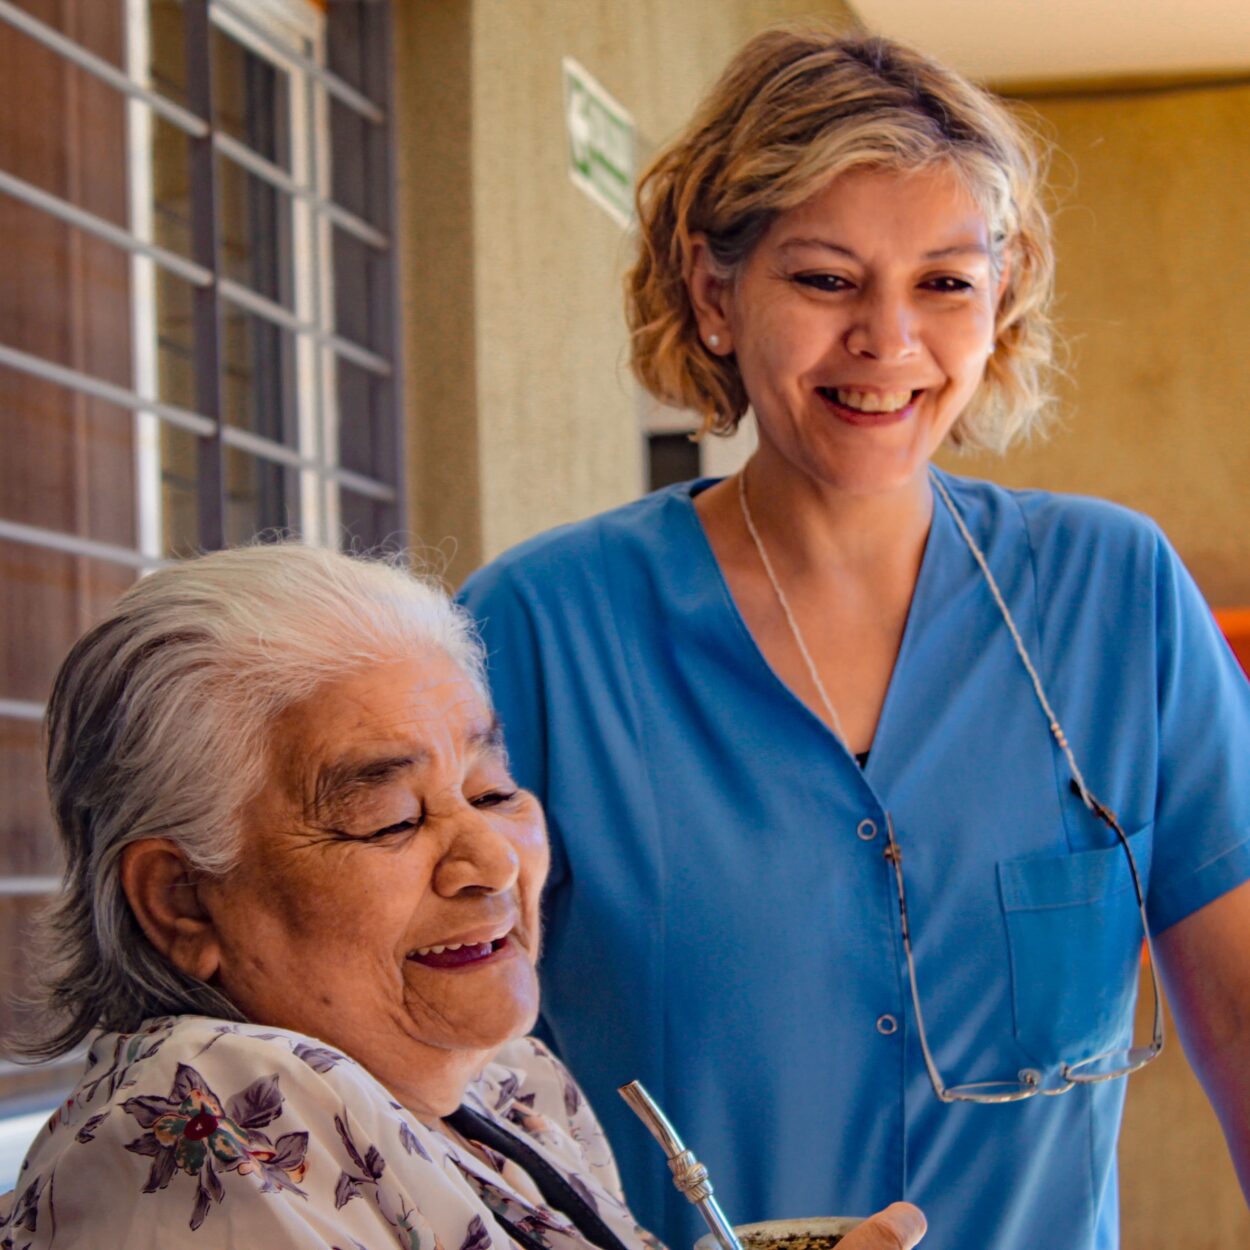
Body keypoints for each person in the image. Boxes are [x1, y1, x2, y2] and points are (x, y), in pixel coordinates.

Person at [458, 25, 1250, 1250]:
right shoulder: (541, 630)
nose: (887, 342)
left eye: (943, 281)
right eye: (825, 280)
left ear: (1001, 299)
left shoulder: (1117, 596)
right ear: (716, 293)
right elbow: (431, 1069)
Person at [0, 544, 922, 1250]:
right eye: (391, 819)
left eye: (491, 791)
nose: (489, 859)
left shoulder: (508, 1081)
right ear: (184, 904)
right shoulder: (207, 1112)